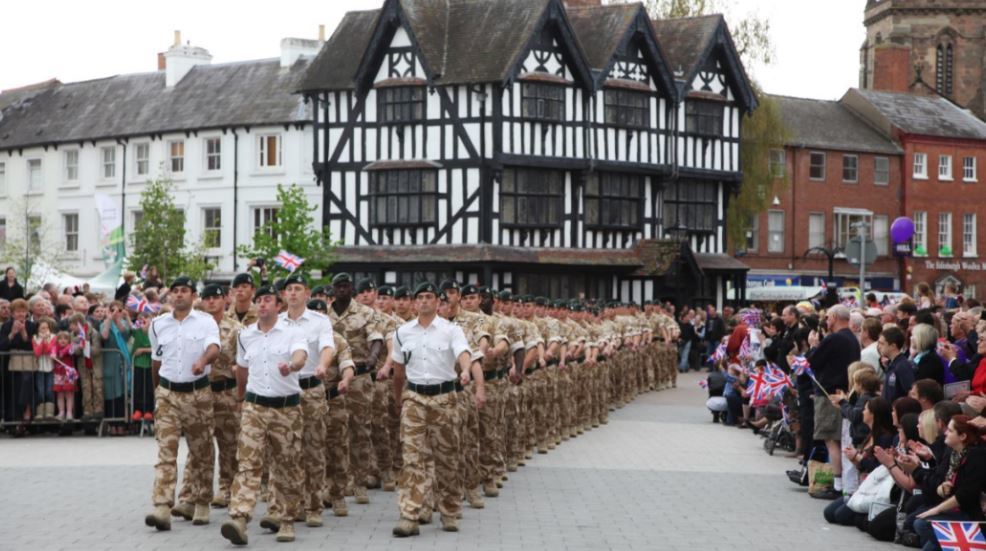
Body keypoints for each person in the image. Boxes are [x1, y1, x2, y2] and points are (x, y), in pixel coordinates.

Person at [390, 281, 486, 537]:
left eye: (429, 297)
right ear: (414, 302)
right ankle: (410, 513)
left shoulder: (451, 330)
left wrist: (465, 370)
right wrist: (398, 399)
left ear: (438, 302)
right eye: (419, 297)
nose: (423, 301)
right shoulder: (402, 332)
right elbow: (398, 372)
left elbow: (464, 353)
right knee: (412, 458)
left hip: (444, 399)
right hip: (414, 398)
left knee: (447, 458)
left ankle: (449, 511)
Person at [220, 285, 309, 545]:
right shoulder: (246, 335)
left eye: (268, 300)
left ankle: (286, 519)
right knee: (248, 463)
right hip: (254, 407)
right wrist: (240, 398)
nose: (262, 304)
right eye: (259, 300)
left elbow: (301, 356)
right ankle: (239, 517)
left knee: (286, 465)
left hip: (286, 408)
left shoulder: (294, 332)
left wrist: (292, 365)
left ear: (278, 306)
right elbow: (242, 370)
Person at [144, 277, 221, 532]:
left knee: (202, 452)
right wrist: (159, 391)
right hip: (168, 393)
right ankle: (162, 505)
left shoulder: (206, 321)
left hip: (197, 393)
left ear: (193, 296)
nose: (179, 295)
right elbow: (157, 360)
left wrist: (202, 360)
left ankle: (201, 501)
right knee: (166, 451)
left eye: (184, 291)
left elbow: (214, 348)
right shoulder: (158, 324)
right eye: (174, 291)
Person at [270, 273, 335, 530]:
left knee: (313, 449)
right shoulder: (275, 323)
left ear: (307, 293)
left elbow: (328, 347)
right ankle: (286, 506)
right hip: (284, 392)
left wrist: (323, 364)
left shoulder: (319, 322)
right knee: (284, 451)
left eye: (298, 289)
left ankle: (314, 505)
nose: (293, 293)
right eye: (289, 289)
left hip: (311, 389)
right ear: (284, 295)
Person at [328, 272, 383, 506]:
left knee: (359, 431)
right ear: (333, 290)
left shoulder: (365, 313)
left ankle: (360, 482)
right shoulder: (323, 315)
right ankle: (339, 482)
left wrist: (372, 358)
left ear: (351, 289)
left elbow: (376, 338)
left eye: (345, 286)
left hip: (359, 379)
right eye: (337, 286)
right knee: (335, 433)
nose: (341, 290)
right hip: (332, 380)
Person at [807, 305, 860, 499]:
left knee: (831, 439)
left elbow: (813, 362)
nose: (826, 321)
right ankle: (842, 483)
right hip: (843, 393)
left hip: (828, 394)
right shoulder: (852, 339)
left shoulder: (834, 338)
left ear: (835, 317)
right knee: (839, 438)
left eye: (828, 317)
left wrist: (813, 346)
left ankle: (837, 485)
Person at [913, 415, 986, 551]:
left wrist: (936, 509)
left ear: (963, 436)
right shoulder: (954, 454)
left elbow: (966, 494)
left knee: (922, 524)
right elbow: (945, 483)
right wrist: (942, 488)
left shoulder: (977, 456)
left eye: (950, 430)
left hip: (973, 514)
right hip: (959, 509)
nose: (945, 432)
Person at [0, 298, 38, 435]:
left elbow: (33, 346)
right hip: (11, 364)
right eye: (18, 312)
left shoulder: (32, 326)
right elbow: (2, 345)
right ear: (12, 313)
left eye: (23, 312)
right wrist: (12, 333)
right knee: (12, 391)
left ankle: (25, 413)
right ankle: (14, 421)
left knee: (26, 383)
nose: (21, 314)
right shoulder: (6, 326)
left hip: (27, 362)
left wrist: (23, 334)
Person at [100, 301, 131, 435]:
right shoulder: (104, 323)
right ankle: (112, 424)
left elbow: (125, 334)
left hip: (122, 360)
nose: (115, 312)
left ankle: (121, 424)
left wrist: (118, 319)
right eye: (112, 309)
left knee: (122, 393)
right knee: (110, 393)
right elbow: (105, 336)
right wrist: (109, 319)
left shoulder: (123, 323)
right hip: (109, 361)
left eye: (118, 310)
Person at [878, 325, 914, 403]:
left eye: (882, 344)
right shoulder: (891, 364)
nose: (879, 347)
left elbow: (910, 392)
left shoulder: (902, 366)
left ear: (893, 346)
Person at [130, 311, 154, 422]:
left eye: (145, 318)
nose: (143, 320)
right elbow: (134, 349)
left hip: (151, 364)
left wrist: (144, 350)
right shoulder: (137, 332)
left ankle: (149, 410)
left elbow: (157, 348)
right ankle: (138, 410)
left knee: (149, 388)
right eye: (141, 319)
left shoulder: (154, 332)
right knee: (138, 388)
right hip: (138, 363)